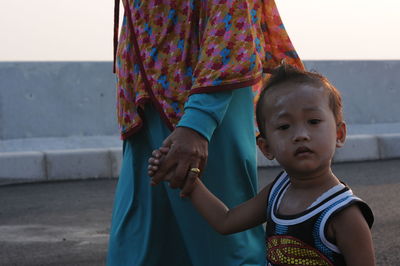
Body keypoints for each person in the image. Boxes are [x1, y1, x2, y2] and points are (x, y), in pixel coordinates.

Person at [107, 0, 304, 265]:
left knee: (224, 250)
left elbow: (231, 16)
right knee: (138, 251)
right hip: (146, 108)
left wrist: (197, 124)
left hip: (208, 109)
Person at [149, 64, 376, 265]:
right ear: (266, 148)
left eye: (314, 122)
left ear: (339, 134)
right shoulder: (278, 192)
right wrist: (188, 179)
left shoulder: (343, 213)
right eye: (284, 126)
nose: (301, 135)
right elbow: (225, 221)